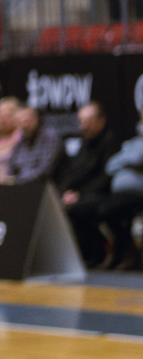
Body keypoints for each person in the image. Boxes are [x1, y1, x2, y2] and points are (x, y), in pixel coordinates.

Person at [58, 103, 120, 268]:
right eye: (81, 122)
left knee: (79, 208)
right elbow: (73, 172)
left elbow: (105, 179)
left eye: (88, 121)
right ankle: (84, 255)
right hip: (80, 194)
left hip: (103, 193)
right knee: (62, 206)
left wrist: (80, 194)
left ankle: (99, 251)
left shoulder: (111, 142)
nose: (83, 126)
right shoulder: (84, 143)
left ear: (101, 121)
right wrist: (67, 191)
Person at [102, 120, 143, 270]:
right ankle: (125, 251)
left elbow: (137, 158)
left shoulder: (132, 146)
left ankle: (127, 251)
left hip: (138, 192)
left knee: (108, 211)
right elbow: (110, 165)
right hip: (120, 194)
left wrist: (123, 161)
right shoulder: (133, 142)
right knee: (100, 210)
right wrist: (126, 161)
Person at [8, 107, 61, 185]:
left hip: (46, 186)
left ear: (36, 120)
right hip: (22, 187)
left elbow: (45, 171)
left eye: (26, 121)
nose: (24, 125)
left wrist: (18, 179)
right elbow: (10, 172)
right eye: (19, 122)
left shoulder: (49, 137)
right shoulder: (18, 143)